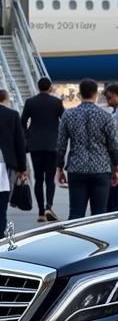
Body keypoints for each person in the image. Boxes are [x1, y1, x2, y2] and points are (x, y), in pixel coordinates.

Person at [55, 79, 118, 219]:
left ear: (80, 94)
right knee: (99, 214)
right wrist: (116, 166)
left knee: (76, 212)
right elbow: (113, 145)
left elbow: (61, 145)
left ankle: (75, 241)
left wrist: (59, 168)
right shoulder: (106, 116)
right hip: (101, 168)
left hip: (77, 168)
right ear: (96, 94)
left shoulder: (68, 115)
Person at [20, 76, 64, 222]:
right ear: (50, 87)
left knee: (38, 179)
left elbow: (23, 122)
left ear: (38, 87)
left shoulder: (30, 102)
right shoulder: (57, 103)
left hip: (35, 146)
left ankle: (40, 212)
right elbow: (64, 121)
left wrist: (28, 136)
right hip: (52, 146)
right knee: (50, 179)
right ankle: (49, 206)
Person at [0, 89, 29, 236]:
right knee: (2, 203)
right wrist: (23, 168)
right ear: (5, 99)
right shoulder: (12, 115)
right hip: (4, 166)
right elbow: (20, 143)